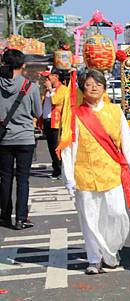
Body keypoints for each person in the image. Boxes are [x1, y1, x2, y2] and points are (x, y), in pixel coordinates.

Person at [60, 69, 130, 274]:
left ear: (104, 87)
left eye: (98, 84)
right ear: (82, 89)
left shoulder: (115, 111)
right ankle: (94, 258)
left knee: (116, 214)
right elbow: (69, 148)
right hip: (85, 174)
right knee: (90, 218)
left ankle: (111, 251)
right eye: (89, 84)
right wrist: (69, 178)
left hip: (111, 173)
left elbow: (126, 140)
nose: (94, 87)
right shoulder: (75, 115)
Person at [0, 49, 42, 230]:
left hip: (3, 139)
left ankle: (5, 216)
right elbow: (38, 113)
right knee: (23, 179)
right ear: (23, 65)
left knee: (5, 178)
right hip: (25, 138)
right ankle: (21, 218)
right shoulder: (30, 87)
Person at [40, 68, 68, 179]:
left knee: (57, 147)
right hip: (47, 121)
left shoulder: (63, 89)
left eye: (48, 77)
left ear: (55, 76)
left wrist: (51, 89)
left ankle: (60, 170)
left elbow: (55, 101)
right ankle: (56, 169)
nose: (46, 79)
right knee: (51, 147)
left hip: (57, 122)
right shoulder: (47, 90)